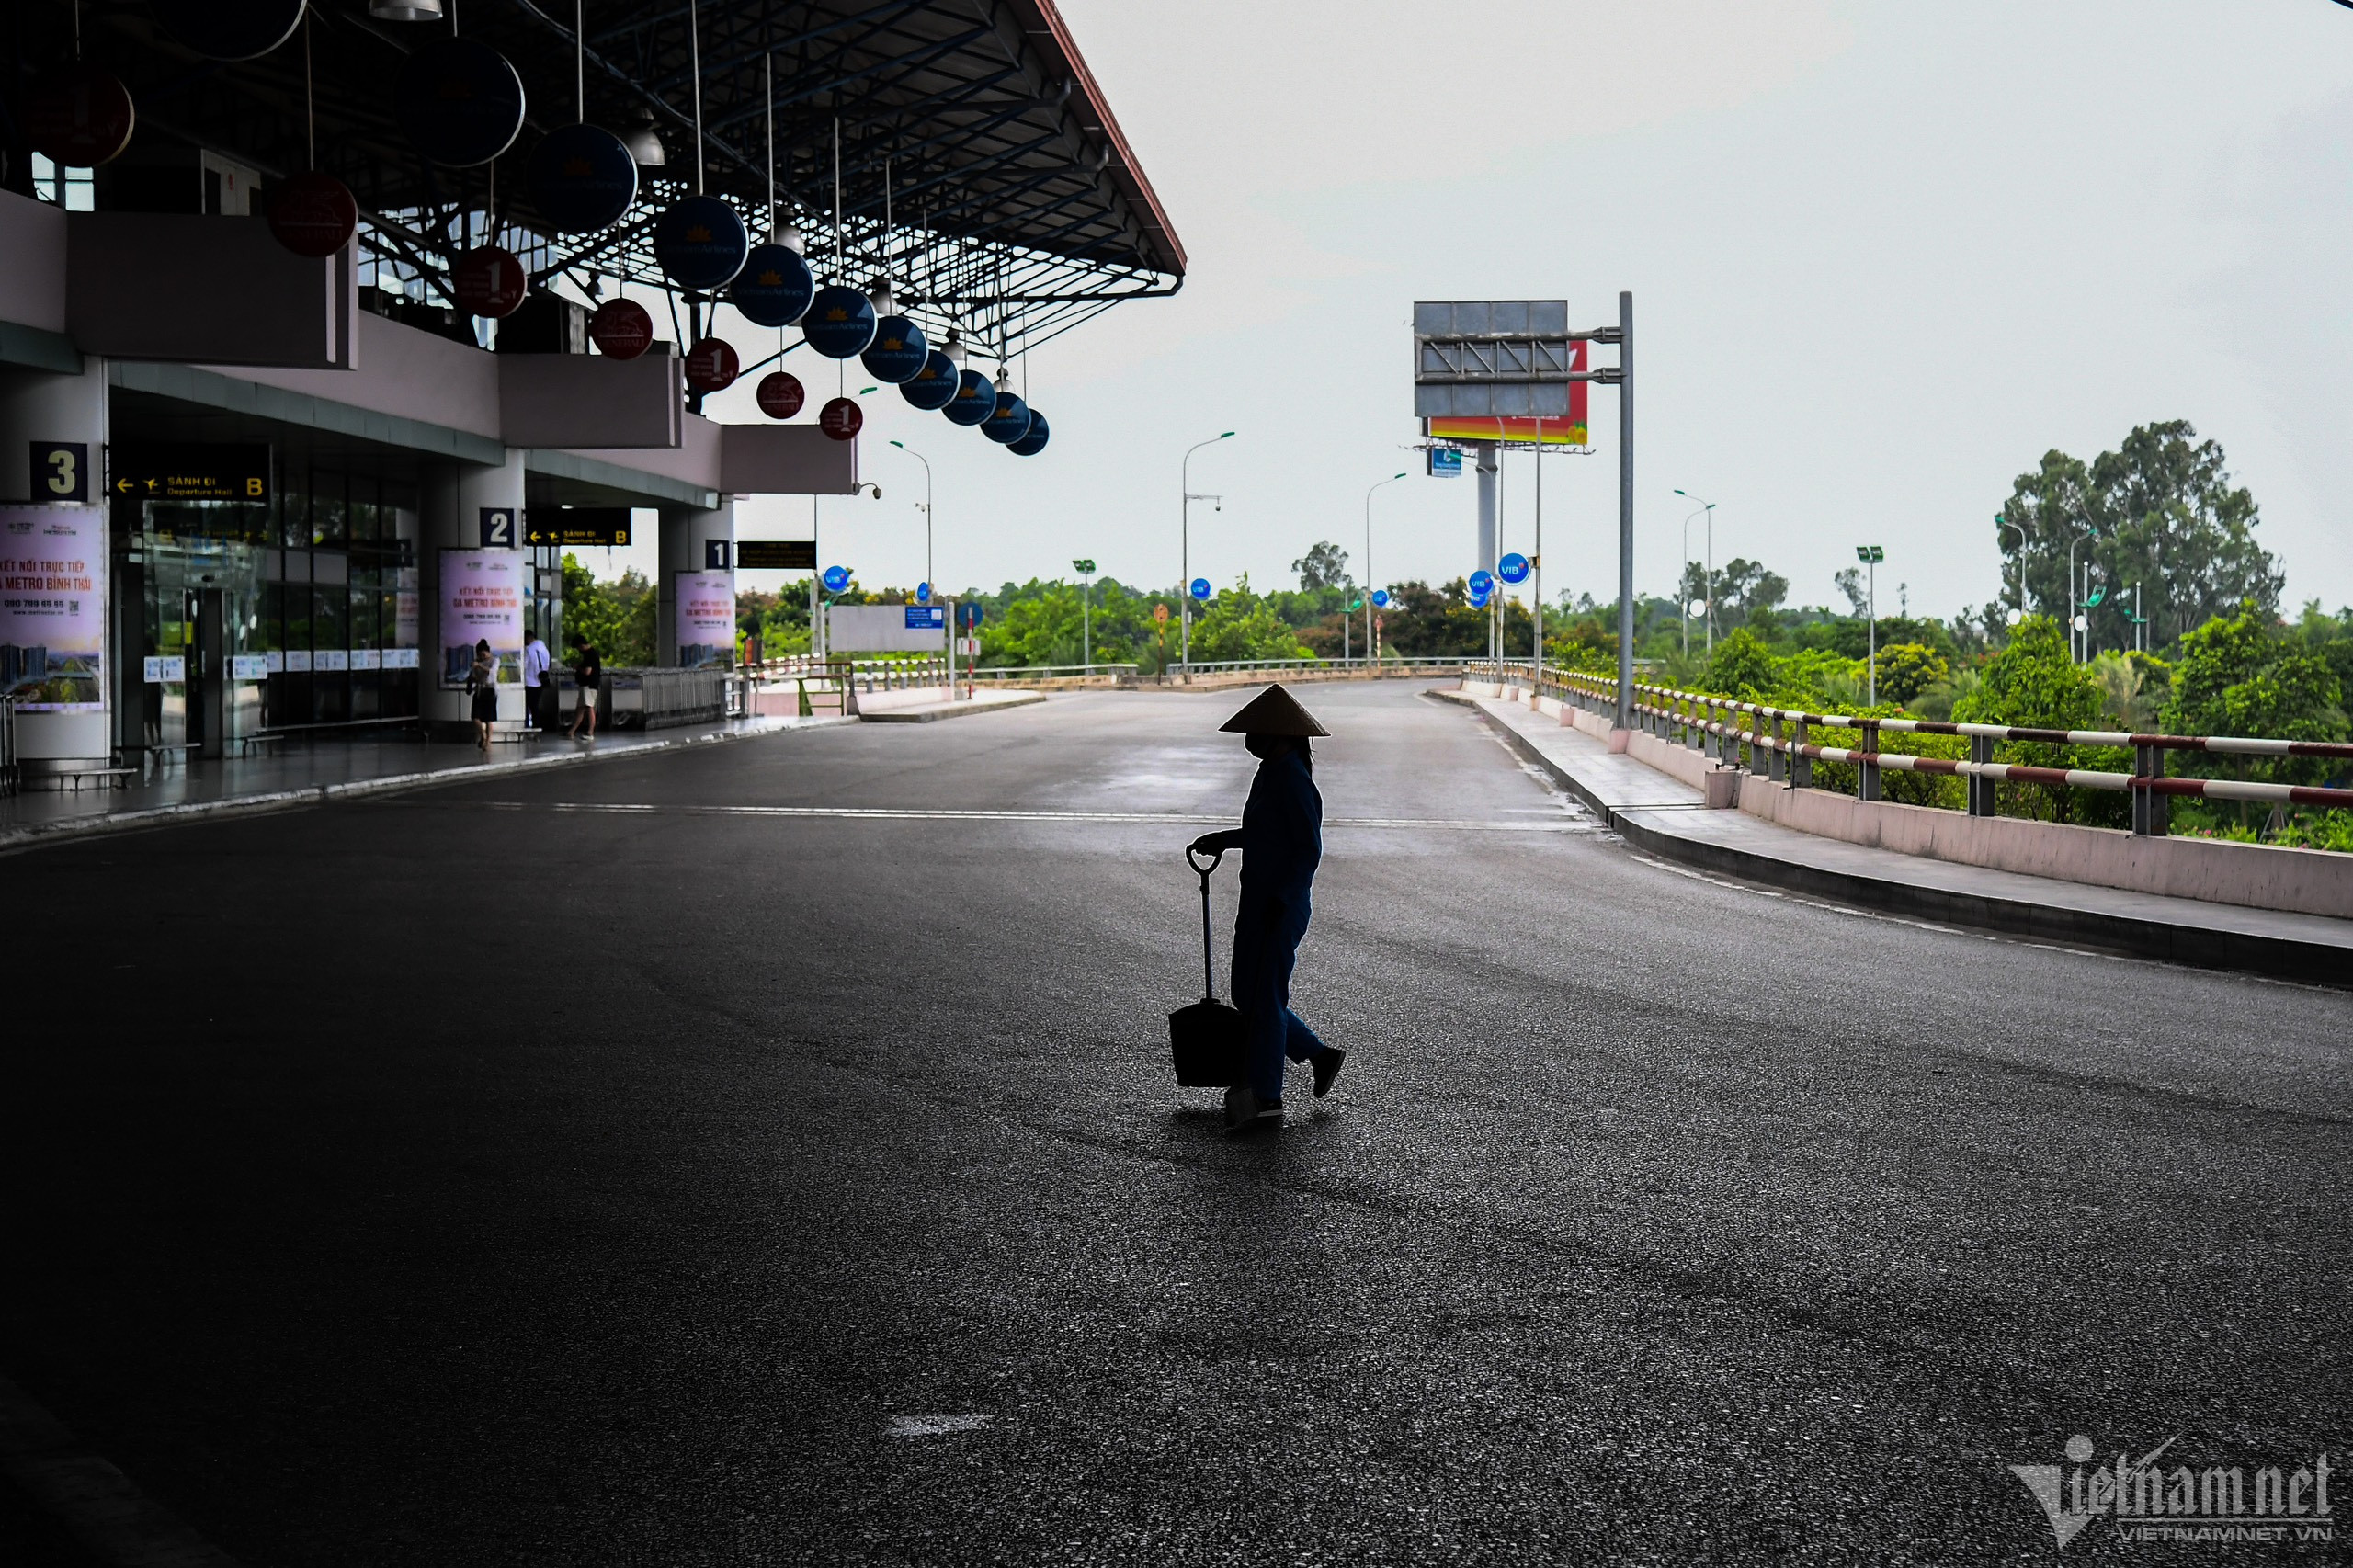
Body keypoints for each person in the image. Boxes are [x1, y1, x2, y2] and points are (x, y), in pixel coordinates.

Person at [1187, 684, 1345, 1131]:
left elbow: (1307, 850)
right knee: (1249, 996)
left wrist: (1284, 897)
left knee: (1265, 998)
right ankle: (1318, 1053)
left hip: (1280, 905)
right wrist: (1225, 839)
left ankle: (1268, 1098)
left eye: (1256, 731)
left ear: (1280, 734)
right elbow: (1266, 833)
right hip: (1259, 900)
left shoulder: (1293, 778)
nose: (1249, 739)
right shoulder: (1270, 772)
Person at [465, 638, 497, 755]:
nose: (482, 656)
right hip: (479, 690)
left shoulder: (494, 660)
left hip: (490, 689)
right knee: (475, 717)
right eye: (480, 654)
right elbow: (473, 677)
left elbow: (492, 672)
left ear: (488, 652)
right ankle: (482, 735)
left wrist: (479, 665)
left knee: (489, 718)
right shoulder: (476, 662)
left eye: (483, 654)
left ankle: (487, 741)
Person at [568, 637, 602, 740]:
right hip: (587, 685)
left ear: (581, 645)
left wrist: (578, 667)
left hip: (589, 685)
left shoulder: (590, 655)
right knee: (581, 708)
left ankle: (590, 732)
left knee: (588, 707)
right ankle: (571, 731)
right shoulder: (591, 654)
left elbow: (587, 671)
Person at [522, 627, 551, 730]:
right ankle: (536, 725)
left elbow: (524, 665)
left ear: (528, 637)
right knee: (535, 706)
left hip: (529, 681)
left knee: (526, 705)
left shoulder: (528, 650)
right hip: (540, 681)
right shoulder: (543, 648)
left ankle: (527, 725)